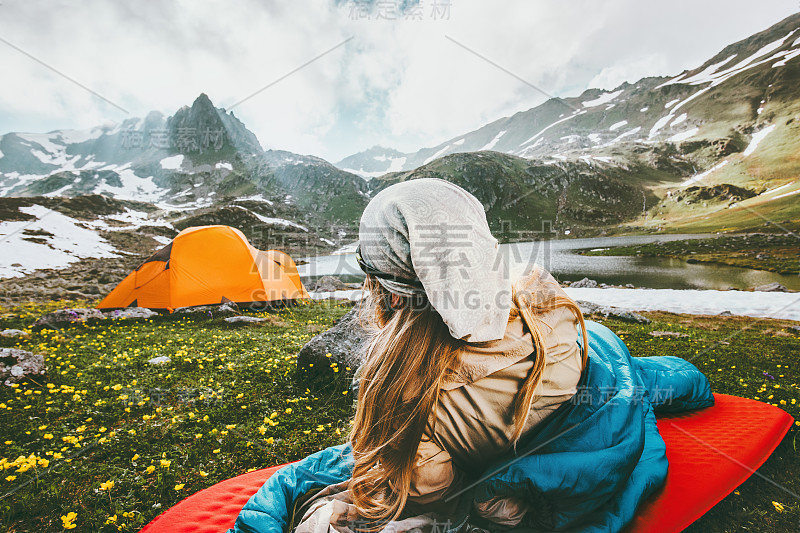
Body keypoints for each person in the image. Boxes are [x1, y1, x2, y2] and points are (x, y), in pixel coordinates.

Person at [229, 178, 714, 533]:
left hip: (568, 404)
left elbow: (425, 485)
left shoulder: (411, 396)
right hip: (596, 364)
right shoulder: (547, 304)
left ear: (391, 290)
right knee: (653, 380)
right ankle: (693, 381)